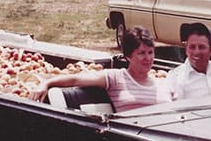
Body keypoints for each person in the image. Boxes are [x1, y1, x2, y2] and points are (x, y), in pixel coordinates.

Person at [29, 26, 169, 111]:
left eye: (151, 52)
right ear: (128, 57)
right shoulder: (117, 77)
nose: (148, 58)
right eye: (141, 53)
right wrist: (46, 83)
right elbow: (76, 79)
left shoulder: (162, 83)